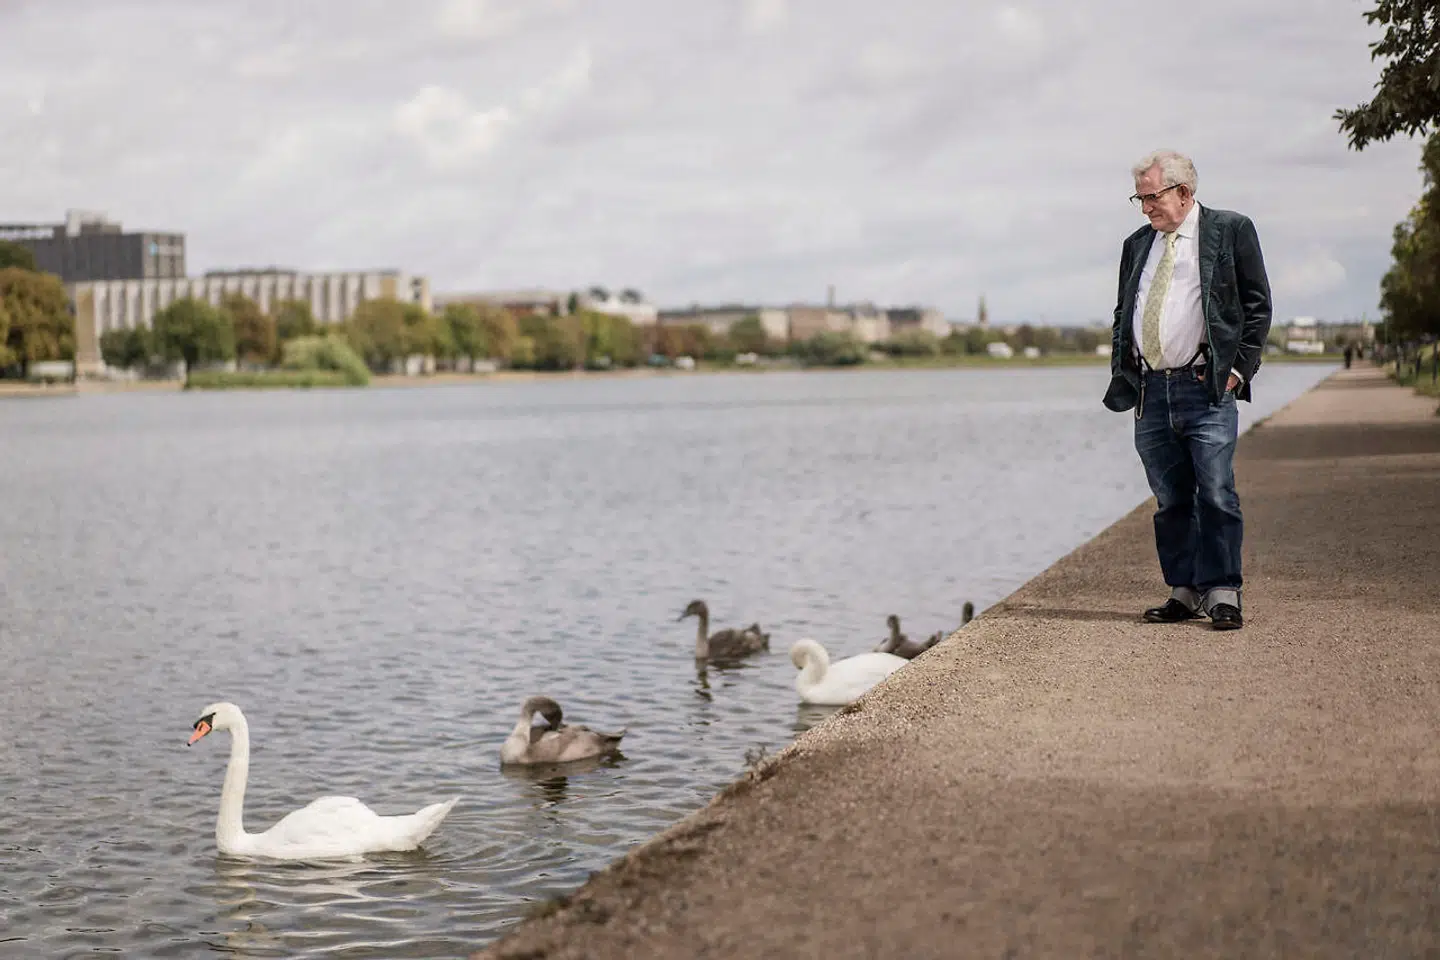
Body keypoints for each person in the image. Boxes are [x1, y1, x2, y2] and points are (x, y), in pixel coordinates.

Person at [1103, 150, 1273, 631]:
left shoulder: (1230, 230)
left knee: (1216, 491)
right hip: (1151, 391)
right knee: (1170, 497)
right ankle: (1184, 587)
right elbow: (1124, 311)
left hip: (1207, 385)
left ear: (1184, 192)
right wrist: (1125, 365)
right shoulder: (1137, 244)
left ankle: (1223, 591)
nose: (1145, 207)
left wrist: (1238, 371)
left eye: (1151, 195)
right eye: (1139, 196)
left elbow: (1257, 307)